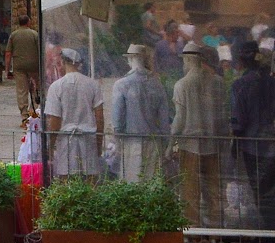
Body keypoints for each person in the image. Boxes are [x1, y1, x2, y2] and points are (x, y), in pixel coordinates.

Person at [174, 47, 228, 227]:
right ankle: (216, 231)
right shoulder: (218, 82)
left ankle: (193, 231)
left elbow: (179, 119)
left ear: (188, 60)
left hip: (190, 147)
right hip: (214, 145)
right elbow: (222, 116)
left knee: (190, 192)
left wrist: (169, 142)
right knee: (214, 191)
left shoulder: (182, 84)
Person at [109, 44, 172, 179]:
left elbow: (117, 120)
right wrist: (165, 143)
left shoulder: (122, 84)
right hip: (154, 142)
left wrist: (117, 141)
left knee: (132, 183)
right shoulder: (157, 84)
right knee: (151, 184)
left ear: (130, 59)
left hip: (131, 142)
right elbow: (164, 120)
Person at [43, 47, 103, 178]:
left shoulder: (56, 86)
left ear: (63, 62)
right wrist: (99, 144)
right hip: (88, 138)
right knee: (91, 179)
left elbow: (54, 120)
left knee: (66, 178)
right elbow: (99, 118)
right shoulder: (93, 85)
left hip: (66, 139)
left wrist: (50, 145)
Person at [232, 47, 275, 229]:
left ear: (241, 62)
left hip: (252, 146)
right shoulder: (272, 83)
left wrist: (235, 141)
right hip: (271, 142)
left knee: (260, 190)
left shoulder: (240, 85)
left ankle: (268, 230)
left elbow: (238, 121)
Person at [7, 14, 42, 116]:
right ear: (28, 22)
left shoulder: (13, 35)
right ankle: (34, 109)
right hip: (34, 66)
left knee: (22, 90)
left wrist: (7, 68)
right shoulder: (34, 34)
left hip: (19, 67)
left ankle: (24, 113)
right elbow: (40, 50)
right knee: (36, 87)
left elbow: (8, 53)